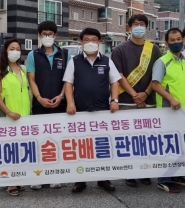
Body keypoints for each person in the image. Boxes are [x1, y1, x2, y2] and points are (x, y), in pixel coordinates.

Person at [63, 27, 121, 194]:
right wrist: (70, 102)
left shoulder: (107, 61)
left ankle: (104, 179)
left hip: (103, 111)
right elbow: (68, 83)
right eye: (87, 40)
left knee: (102, 145)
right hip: (80, 110)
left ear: (99, 42)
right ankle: (80, 180)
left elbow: (114, 82)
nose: (90, 43)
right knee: (81, 145)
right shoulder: (74, 61)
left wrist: (114, 100)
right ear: (81, 42)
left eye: (94, 40)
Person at [111, 14, 161, 188]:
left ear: (146, 27)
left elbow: (157, 76)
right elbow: (118, 76)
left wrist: (145, 94)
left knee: (146, 139)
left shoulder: (154, 50)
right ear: (129, 27)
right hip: (127, 101)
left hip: (149, 101)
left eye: (142, 24)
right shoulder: (119, 50)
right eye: (135, 24)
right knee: (128, 139)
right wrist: (135, 95)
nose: (139, 27)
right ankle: (130, 173)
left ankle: (144, 172)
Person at [26, 20, 70, 190]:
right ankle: (38, 176)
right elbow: (31, 79)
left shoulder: (65, 54)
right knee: (39, 140)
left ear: (55, 35)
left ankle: (55, 175)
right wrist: (39, 98)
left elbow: (68, 80)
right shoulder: (33, 55)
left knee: (57, 140)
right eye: (44, 34)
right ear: (39, 36)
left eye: (50, 34)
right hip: (40, 104)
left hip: (60, 103)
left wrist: (61, 96)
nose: (47, 37)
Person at [150, 28, 185, 193]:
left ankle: (176, 175)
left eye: (179, 39)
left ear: (183, 40)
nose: (176, 42)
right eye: (172, 40)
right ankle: (163, 180)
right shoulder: (162, 61)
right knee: (168, 146)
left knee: (180, 145)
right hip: (168, 110)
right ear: (167, 43)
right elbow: (155, 84)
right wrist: (171, 99)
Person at [0, 38, 31, 196]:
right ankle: (10, 182)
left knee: (21, 149)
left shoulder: (23, 69)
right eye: (12, 49)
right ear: (5, 51)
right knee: (9, 150)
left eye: (18, 49)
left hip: (24, 116)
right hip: (8, 117)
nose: (15, 51)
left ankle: (18, 178)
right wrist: (8, 112)